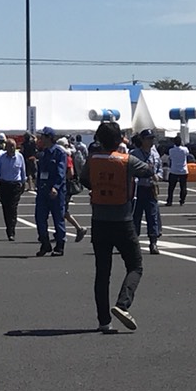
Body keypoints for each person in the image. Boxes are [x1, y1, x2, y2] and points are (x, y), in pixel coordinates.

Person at [84, 121, 155, 333]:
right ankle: (122, 304)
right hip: (123, 220)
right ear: (118, 140)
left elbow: (84, 179)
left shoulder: (93, 159)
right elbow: (148, 171)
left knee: (102, 272)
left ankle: (104, 321)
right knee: (135, 265)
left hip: (99, 220)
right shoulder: (127, 160)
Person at [33, 128, 69, 256]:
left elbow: (61, 172)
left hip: (56, 191)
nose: (41, 139)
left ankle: (60, 245)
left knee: (58, 217)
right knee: (39, 217)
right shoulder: (43, 153)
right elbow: (40, 172)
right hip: (43, 190)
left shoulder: (59, 152)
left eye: (43, 136)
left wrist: (56, 187)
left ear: (49, 137)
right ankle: (45, 243)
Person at [129, 129, 162, 254]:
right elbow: (130, 171)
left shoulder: (155, 154)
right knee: (136, 216)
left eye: (152, 138)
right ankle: (134, 242)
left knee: (152, 216)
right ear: (142, 140)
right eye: (149, 138)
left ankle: (153, 243)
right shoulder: (134, 154)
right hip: (138, 189)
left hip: (151, 189)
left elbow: (159, 169)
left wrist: (158, 176)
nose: (151, 141)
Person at [0, 137, 26, 240]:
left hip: (15, 185)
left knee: (13, 208)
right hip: (4, 185)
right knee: (6, 208)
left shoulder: (20, 157)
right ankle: (9, 228)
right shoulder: (1, 158)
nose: (11, 148)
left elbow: (23, 171)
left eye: (13, 146)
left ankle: (12, 231)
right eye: (9, 146)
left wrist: (23, 183)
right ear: (5, 147)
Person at [165, 138, 191, 209]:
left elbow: (170, 158)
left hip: (174, 170)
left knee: (171, 187)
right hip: (183, 170)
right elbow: (187, 154)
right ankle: (182, 200)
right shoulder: (185, 149)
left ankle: (169, 200)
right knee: (183, 186)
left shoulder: (171, 150)